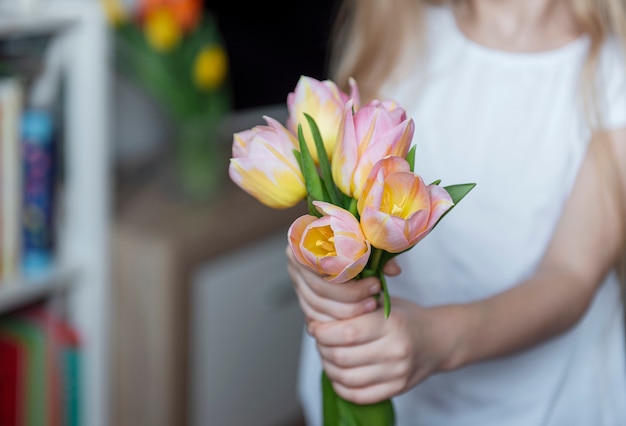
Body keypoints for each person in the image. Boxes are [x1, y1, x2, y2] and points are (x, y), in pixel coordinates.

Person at [286, 0, 626, 425]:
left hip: (542, 405)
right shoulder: (400, 34)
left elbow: (571, 274)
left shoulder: (612, 71)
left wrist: (437, 339)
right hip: (381, 386)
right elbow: (342, 202)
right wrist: (316, 268)